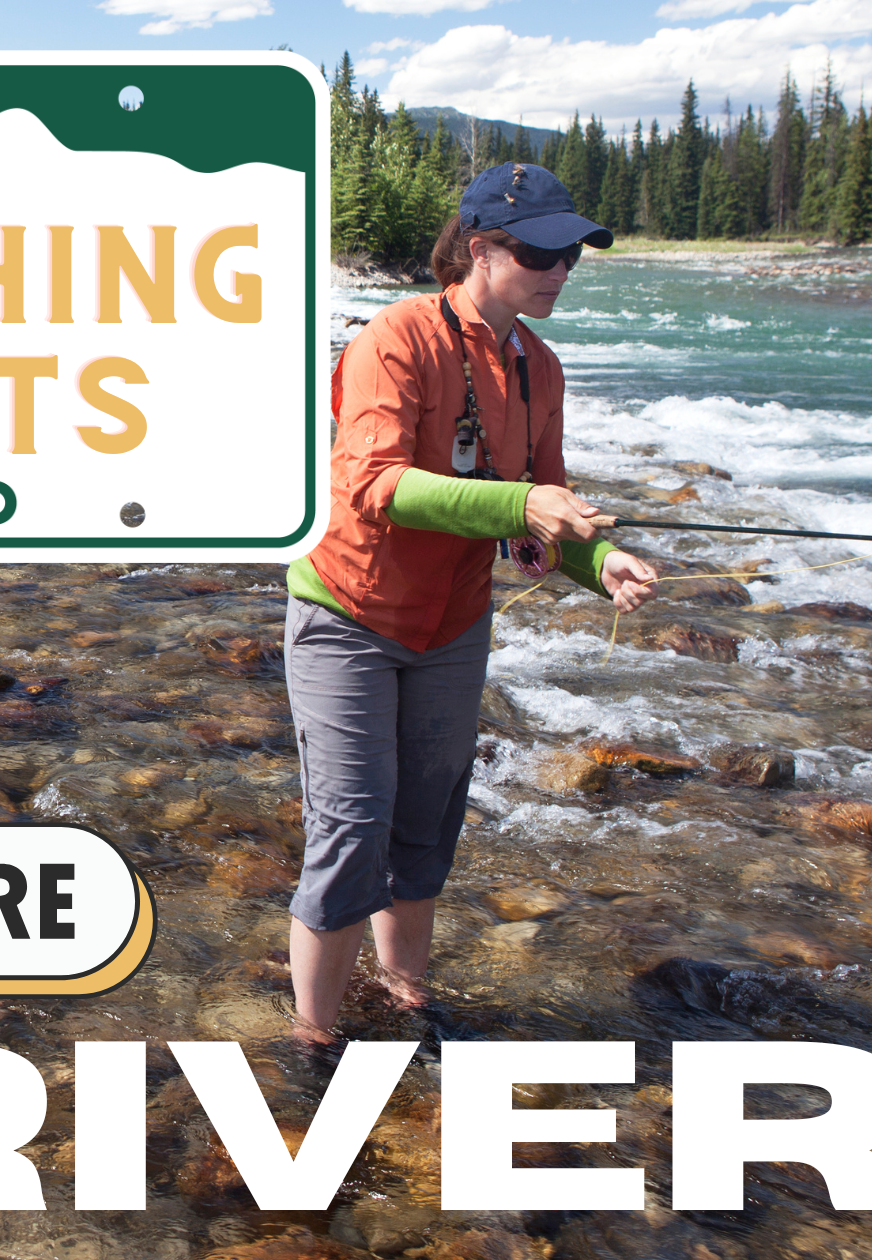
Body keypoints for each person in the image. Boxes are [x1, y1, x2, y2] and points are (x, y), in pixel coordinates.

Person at [282, 162, 658, 1044]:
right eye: (541, 253)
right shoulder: (393, 338)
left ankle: (405, 996)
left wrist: (597, 562)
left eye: (573, 255)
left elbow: (547, 509)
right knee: (352, 825)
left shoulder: (542, 368)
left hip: (452, 625)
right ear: (481, 249)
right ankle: (313, 1036)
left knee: (426, 819)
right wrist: (519, 505)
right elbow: (374, 484)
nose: (561, 270)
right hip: (349, 613)